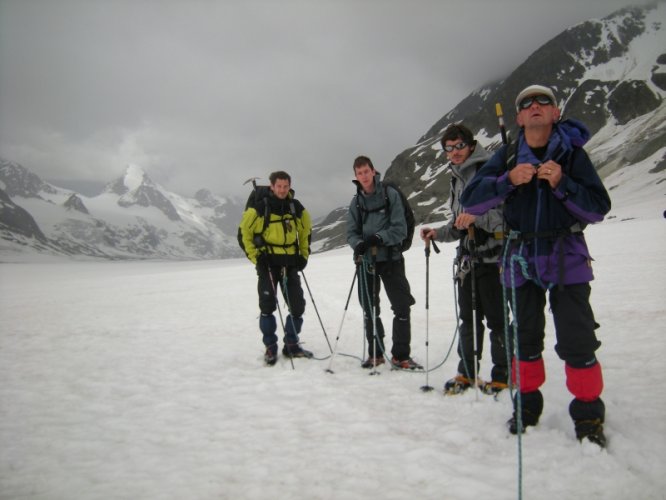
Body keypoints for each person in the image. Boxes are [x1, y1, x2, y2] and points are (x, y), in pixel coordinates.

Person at [460, 84, 611, 447]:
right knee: (523, 338)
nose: (535, 106)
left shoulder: (573, 157)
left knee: (577, 340)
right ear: (519, 117)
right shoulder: (509, 157)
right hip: (522, 258)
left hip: (566, 256)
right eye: (526, 103)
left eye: (544, 101)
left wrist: (562, 183)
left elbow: (598, 208)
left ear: (555, 112)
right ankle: (526, 406)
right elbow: (471, 200)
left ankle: (589, 415)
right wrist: (506, 180)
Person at [420, 123, 510, 395]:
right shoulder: (456, 178)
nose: (455, 152)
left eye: (459, 146)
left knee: (497, 320)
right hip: (469, 260)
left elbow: (508, 216)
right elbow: (459, 223)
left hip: (494, 259)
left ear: (471, 145)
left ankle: (502, 376)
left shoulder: (490, 170)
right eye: (449, 148)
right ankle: (467, 373)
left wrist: (477, 218)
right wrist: (438, 233)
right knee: (469, 320)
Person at [346, 155, 421, 370]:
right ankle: (376, 354)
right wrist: (358, 244)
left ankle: (400, 356)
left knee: (401, 306)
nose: (364, 176)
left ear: (373, 171)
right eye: (359, 173)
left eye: (366, 172)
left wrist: (379, 238)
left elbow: (400, 228)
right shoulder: (356, 202)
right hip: (367, 261)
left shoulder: (390, 194)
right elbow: (350, 232)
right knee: (370, 309)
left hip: (391, 259)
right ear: (356, 176)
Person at [238, 171, 313, 365]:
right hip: (268, 265)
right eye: (278, 186)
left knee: (297, 307)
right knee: (267, 307)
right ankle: (270, 347)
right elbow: (243, 233)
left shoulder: (296, 208)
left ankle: (291, 344)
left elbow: (305, 232)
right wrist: (256, 258)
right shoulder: (259, 208)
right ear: (272, 186)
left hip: (290, 264)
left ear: (289, 186)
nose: (282, 190)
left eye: (285, 186)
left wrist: (303, 255)